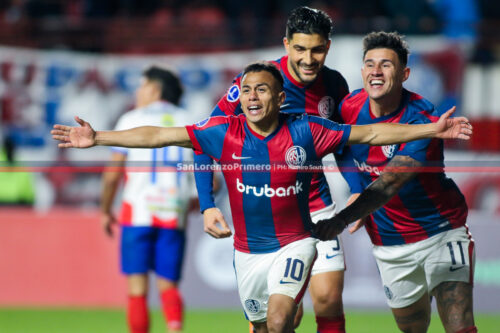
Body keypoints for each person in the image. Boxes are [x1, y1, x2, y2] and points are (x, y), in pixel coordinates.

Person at [52, 62, 472, 333]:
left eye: (263, 90)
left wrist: (430, 129)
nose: (252, 97)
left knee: (280, 317)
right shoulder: (224, 132)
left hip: (297, 241)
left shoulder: (306, 130)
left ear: (279, 98)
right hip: (247, 251)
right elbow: (159, 135)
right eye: (247, 91)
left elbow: (372, 133)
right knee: (264, 326)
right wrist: (99, 138)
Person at [195, 7, 350, 331]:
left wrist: (358, 189)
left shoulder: (334, 84)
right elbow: (202, 140)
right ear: (286, 45)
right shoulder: (255, 83)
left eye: (317, 49)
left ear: (328, 47)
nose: (308, 59)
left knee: (329, 298)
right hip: (265, 215)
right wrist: (207, 206)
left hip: (316, 207)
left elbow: (343, 147)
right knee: (280, 318)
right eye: (300, 49)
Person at [315, 32, 477, 333]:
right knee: (412, 327)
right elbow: (342, 150)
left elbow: (390, 183)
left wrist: (341, 220)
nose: (376, 71)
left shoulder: (422, 119)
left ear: (404, 74)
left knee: (458, 322)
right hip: (389, 242)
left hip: (440, 230)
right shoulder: (349, 108)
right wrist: (355, 188)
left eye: (386, 65)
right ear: (362, 71)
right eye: (370, 64)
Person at [100, 66, 193, 333]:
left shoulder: (131, 119)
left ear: (154, 89)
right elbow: (211, 177)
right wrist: (197, 200)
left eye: (141, 87)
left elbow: (111, 175)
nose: (138, 93)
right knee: (168, 285)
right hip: (174, 211)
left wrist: (105, 210)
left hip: (136, 212)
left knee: (137, 288)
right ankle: (174, 329)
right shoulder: (189, 120)